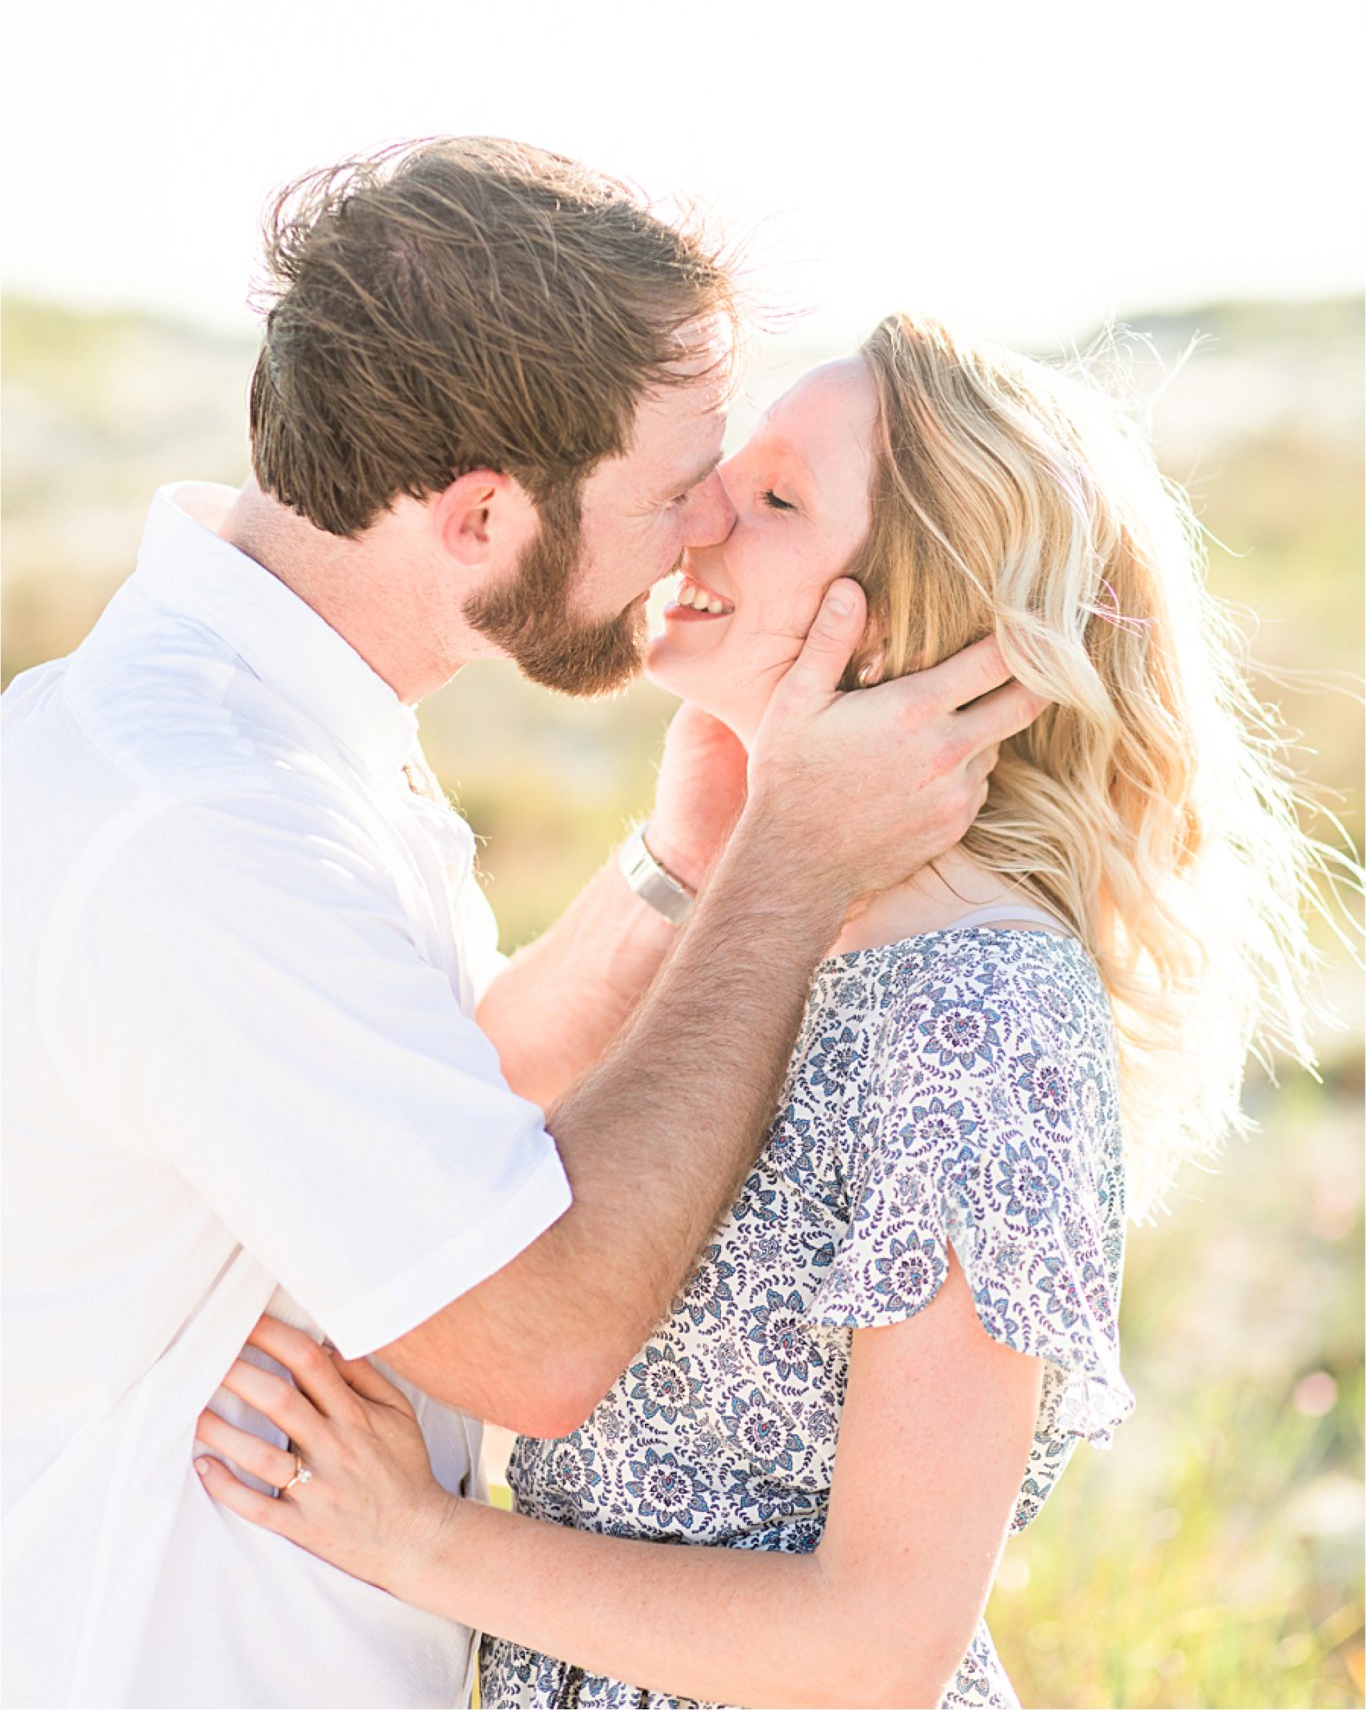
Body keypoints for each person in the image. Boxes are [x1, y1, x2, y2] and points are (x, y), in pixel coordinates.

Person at [0, 145, 1040, 1710]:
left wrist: (685, 872)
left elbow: (441, 1111)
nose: (700, 528)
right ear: (483, 514)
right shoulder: (205, 824)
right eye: (672, 484)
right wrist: (784, 868)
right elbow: (534, 1341)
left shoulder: (277, 744)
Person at [200, 316, 1322, 1710]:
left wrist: (418, 1539)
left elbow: (876, 1644)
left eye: (779, 498)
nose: (702, 511)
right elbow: (456, 1128)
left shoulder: (974, 1016)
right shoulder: (762, 928)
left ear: (921, 614)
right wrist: (688, 860)